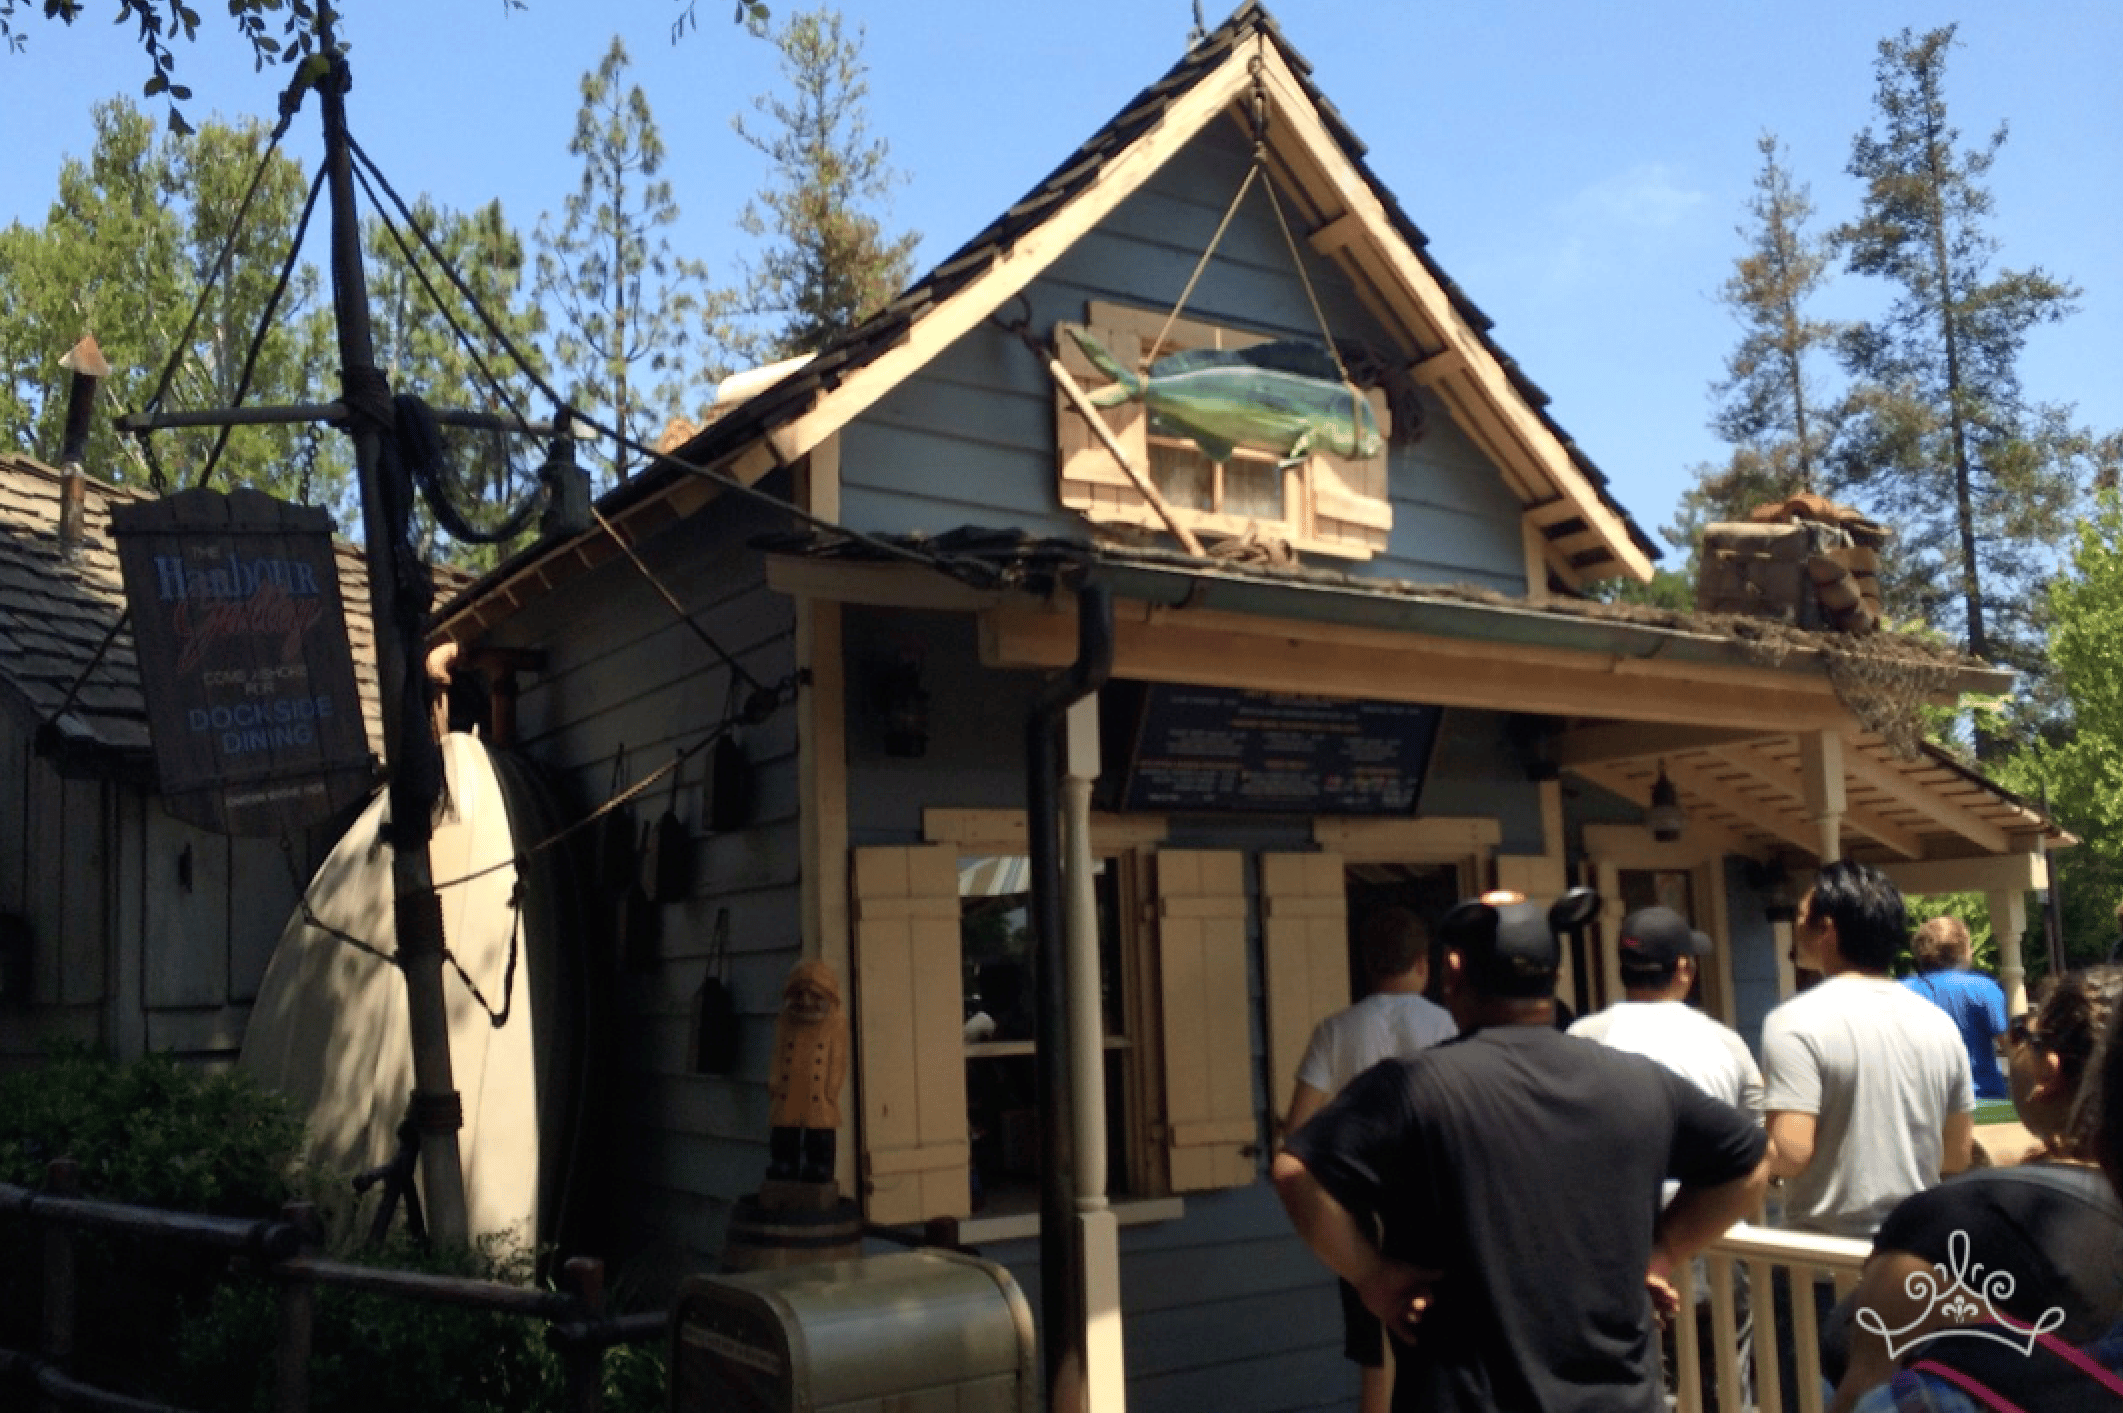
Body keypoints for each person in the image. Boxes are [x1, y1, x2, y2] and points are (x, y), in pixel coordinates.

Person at [1274, 889, 1769, 1413]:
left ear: (1454, 973)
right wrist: (1664, 1249)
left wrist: (1371, 1276)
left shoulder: (1412, 1088)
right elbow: (1751, 1164)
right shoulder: (1640, 1083)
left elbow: (1295, 1171)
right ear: (1554, 980)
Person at [1833, 966, 2123, 1411]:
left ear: (2052, 1066)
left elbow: (1865, 1384)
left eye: (2024, 1033)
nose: (2014, 1042)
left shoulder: (1946, 1222)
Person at [1761, 861, 1974, 1409]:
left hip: (1820, 1269)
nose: (1797, 925)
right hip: (1913, 1269)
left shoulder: (1794, 1022)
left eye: (1803, 915)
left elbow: (1790, 1151)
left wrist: (1737, 1145)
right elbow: (1954, 1154)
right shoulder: (1937, 1024)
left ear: (1828, 929)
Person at [1569, 908, 1764, 1409]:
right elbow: (1759, 1152)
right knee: (1724, 1387)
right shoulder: (1725, 1043)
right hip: (1710, 1237)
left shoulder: (1582, 1040)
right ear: (1683, 968)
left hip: (1615, 1248)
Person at [1283, 906, 1458, 1413]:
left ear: (1366, 963)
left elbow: (1298, 1132)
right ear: (1424, 964)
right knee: (1443, 1347)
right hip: (1436, 1206)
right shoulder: (1447, 1024)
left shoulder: (1336, 1030)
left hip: (1362, 1215)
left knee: (1376, 1361)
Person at [1902, 916, 2010, 1102]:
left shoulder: (1902, 991)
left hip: (1922, 1102)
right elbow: (2010, 1047)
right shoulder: (1984, 989)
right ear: (1964, 952)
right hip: (1981, 1097)